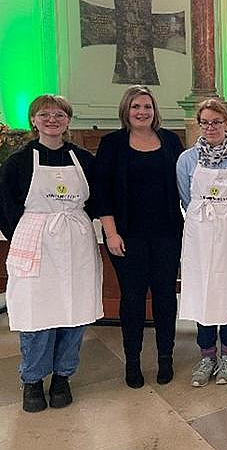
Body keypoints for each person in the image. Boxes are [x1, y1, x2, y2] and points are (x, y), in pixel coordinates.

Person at [0, 95, 102, 413]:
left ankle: (62, 377)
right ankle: (32, 380)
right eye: (45, 114)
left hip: (76, 243)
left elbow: (97, 199)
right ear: (34, 120)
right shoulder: (18, 162)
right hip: (36, 240)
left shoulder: (83, 159)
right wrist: (30, 231)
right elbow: (5, 206)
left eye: (59, 114)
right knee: (37, 313)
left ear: (68, 120)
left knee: (75, 312)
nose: (52, 119)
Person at [95, 85, 184, 388]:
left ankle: (165, 359)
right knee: (132, 298)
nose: (142, 112)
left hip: (166, 233)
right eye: (136, 106)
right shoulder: (112, 144)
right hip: (126, 235)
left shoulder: (170, 141)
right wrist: (111, 233)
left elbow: (185, 182)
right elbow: (102, 192)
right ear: (126, 110)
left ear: (154, 111)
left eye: (147, 106)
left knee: (165, 297)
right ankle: (132, 362)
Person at [176, 99, 227, 387]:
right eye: (205, 123)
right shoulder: (187, 160)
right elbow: (186, 197)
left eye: (216, 122)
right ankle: (207, 355)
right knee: (203, 294)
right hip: (200, 237)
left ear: (226, 123)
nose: (210, 127)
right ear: (199, 124)